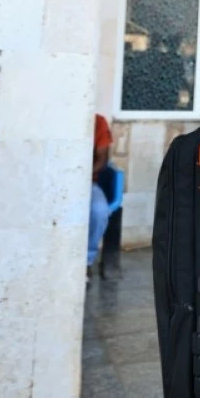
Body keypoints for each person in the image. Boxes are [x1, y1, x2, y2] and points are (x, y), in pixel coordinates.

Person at [88, 114, 114, 281]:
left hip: (87, 182)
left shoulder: (97, 121)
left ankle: (86, 260)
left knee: (99, 211)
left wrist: (80, 176)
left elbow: (102, 160)